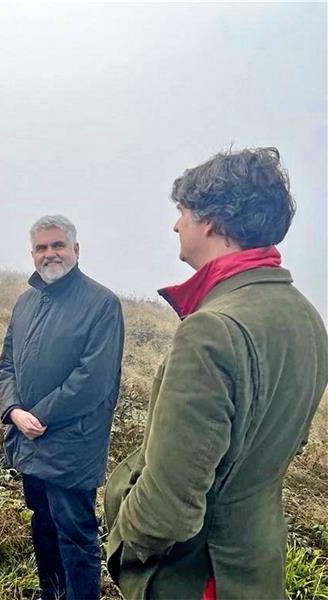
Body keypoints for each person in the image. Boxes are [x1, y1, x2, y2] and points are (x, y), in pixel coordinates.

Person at [104, 147, 328, 600]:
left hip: (198, 576)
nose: (176, 225)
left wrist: (126, 543)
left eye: (183, 212)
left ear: (210, 220)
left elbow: (169, 506)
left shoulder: (211, 330)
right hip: (255, 566)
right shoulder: (306, 317)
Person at [0, 215, 125, 600]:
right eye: (42, 247)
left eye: (58, 245)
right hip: (29, 438)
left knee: (75, 535)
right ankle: (52, 594)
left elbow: (93, 380)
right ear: (32, 254)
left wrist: (39, 416)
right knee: (43, 524)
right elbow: (6, 364)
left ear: (76, 250)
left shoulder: (102, 304)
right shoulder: (25, 302)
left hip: (72, 446)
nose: (50, 254)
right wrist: (13, 410)